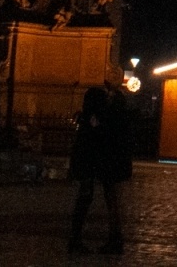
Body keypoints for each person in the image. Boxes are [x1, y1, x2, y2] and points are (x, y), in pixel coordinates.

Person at [68, 87, 132, 254]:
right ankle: (113, 240)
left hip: (98, 165)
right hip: (106, 165)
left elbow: (90, 142)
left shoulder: (96, 117)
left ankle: (79, 240)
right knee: (110, 202)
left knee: (92, 200)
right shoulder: (111, 116)